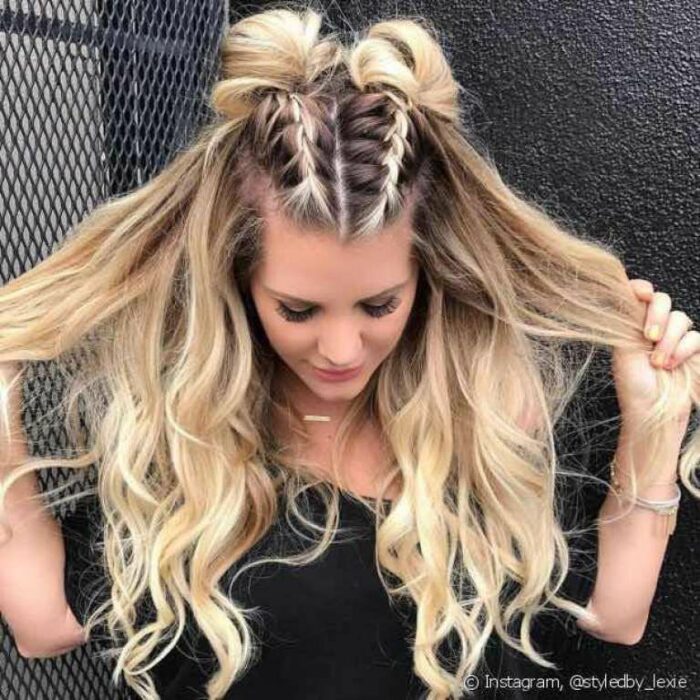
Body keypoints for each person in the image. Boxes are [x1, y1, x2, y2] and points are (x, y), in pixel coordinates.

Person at [1, 5, 698, 700]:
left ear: (428, 273)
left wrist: (655, 418)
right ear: (239, 276)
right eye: (298, 309)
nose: (340, 350)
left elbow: (616, 615)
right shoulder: (181, 430)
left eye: (379, 305)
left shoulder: (488, 415)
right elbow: (42, 625)